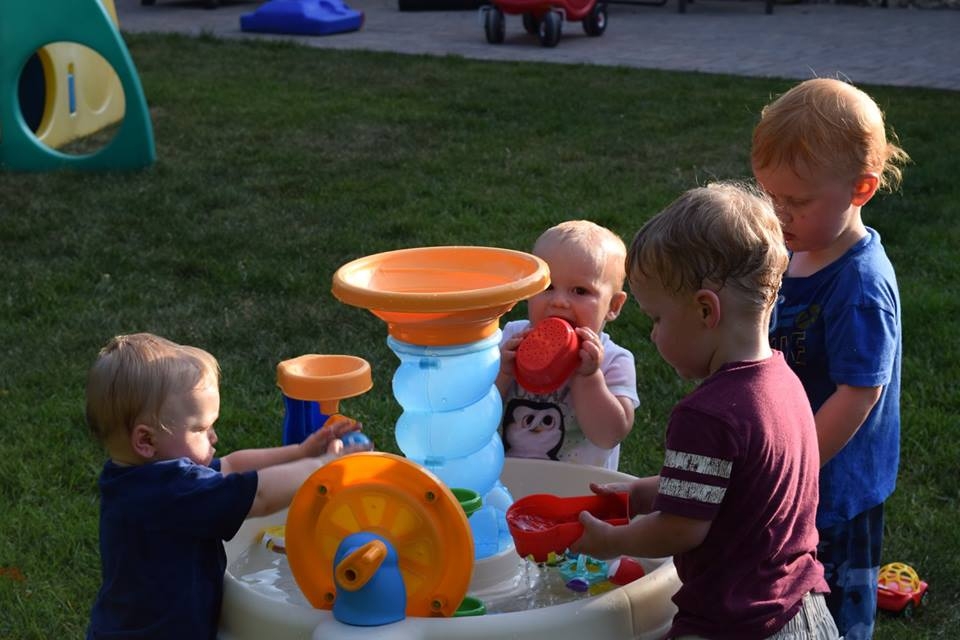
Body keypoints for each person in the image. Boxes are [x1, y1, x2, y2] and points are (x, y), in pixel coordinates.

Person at [571, 183, 837, 640]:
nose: (653, 336)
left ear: (704, 310)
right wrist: (638, 496)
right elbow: (729, 488)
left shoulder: (707, 415)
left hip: (737, 623)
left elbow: (681, 528)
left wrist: (610, 541)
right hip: (802, 611)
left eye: (657, 318)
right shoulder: (783, 383)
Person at [752, 77, 909, 640]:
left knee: (834, 609)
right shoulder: (799, 248)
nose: (779, 214)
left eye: (796, 202)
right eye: (770, 196)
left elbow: (858, 393)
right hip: (791, 466)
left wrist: (795, 469)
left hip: (834, 485)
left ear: (860, 189)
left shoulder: (859, 285)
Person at [84, 332, 370, 640]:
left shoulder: (135, 479)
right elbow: (259, 496)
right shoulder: (174, 492)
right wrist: (323, 467)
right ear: (146, 440)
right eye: (201, 428)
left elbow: (233, 465)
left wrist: (301, 452)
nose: (214, 437)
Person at [495, 219, 639, 470]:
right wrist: (502, 372)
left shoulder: (613, 361)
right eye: (548, 287)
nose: (559, 301)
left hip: (576, 488)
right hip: (507, 480)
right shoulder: (512, 338)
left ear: (613, 306)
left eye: (580, 291)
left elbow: (608, 436)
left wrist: (588, 377)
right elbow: (474, 417)